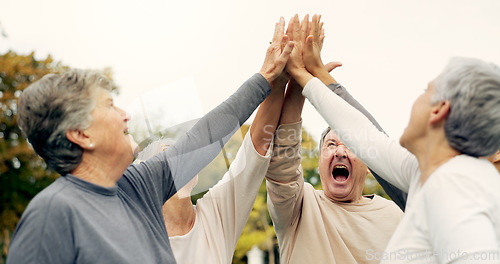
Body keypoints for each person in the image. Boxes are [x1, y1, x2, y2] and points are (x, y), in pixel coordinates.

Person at [6, 18, 294, 263]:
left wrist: (266, 77)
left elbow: (205, 135)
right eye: (109, 106)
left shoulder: (140, 186)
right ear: (82, 134)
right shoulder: (51, 216)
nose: (125, 115)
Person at [290, 14, 500, 264]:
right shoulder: (433, 173)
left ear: (438, 110)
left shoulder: (458, 188)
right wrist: (308, 76)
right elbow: (366, 136)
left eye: (426, 91)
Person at [134, 19, 289, 263]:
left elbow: (256, 145)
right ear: (147, 175)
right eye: (168, 154)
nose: (183, 158)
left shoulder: (216, 214)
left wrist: (280, 76)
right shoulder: (130, 237)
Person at [265, 15, 404, 264]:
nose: (340, 152)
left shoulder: (395, 216)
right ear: (319, 163)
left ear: (371, 164)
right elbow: (282, 161)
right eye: (331, 145)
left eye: (350, 145)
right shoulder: (299, 206)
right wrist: (298, 84)